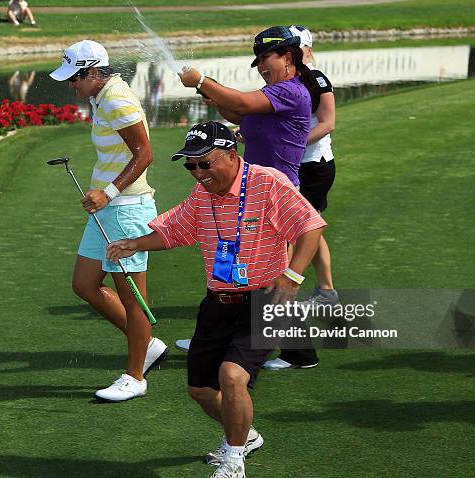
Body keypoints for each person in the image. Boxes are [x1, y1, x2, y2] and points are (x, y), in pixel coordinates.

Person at [107, 121, 326, 478]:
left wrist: (293, 277)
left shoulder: (268, 182)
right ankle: (245, 436)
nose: (198, 173)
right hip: (217, 303)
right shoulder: (201, 196)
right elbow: (175, 230)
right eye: (190, 166)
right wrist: (133, 243)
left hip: (263, 301)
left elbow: (310, 226)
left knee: (232, 376)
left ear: (230, 154)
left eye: (204, 163)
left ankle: (234, 461)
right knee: (199, 389)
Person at [175, 26, 322, 367]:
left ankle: (295, 351)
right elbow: (238, 113)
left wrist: (201, 81)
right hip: (254, 191)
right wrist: (212, 97)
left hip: (277, 195)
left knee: (269, 274)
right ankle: (293, 351)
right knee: (252, 270)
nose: (260, 67)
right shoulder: (276, 90)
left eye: (264, 59)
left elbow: (241, 102)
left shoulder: (291, 91)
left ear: (287, 57)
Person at [49, 40, 167, 403]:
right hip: (108, 208)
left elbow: (144, 153)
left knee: (134, 298)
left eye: (75, 78)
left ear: (93, 72)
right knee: (85, 284)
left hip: (127, 208)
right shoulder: (100, 97)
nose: (72, 85)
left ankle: (135, 377)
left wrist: (109, 192)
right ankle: (145, 344)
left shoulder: (115, 98)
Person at [264, 25, 339, 370]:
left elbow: (327, 123)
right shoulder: (284, 82)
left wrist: (293, 142)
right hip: (293, 165)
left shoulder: (315, 79)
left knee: (296, 238)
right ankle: (325, 290)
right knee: (307, 231)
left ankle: (293, 338)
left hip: (311, 165)